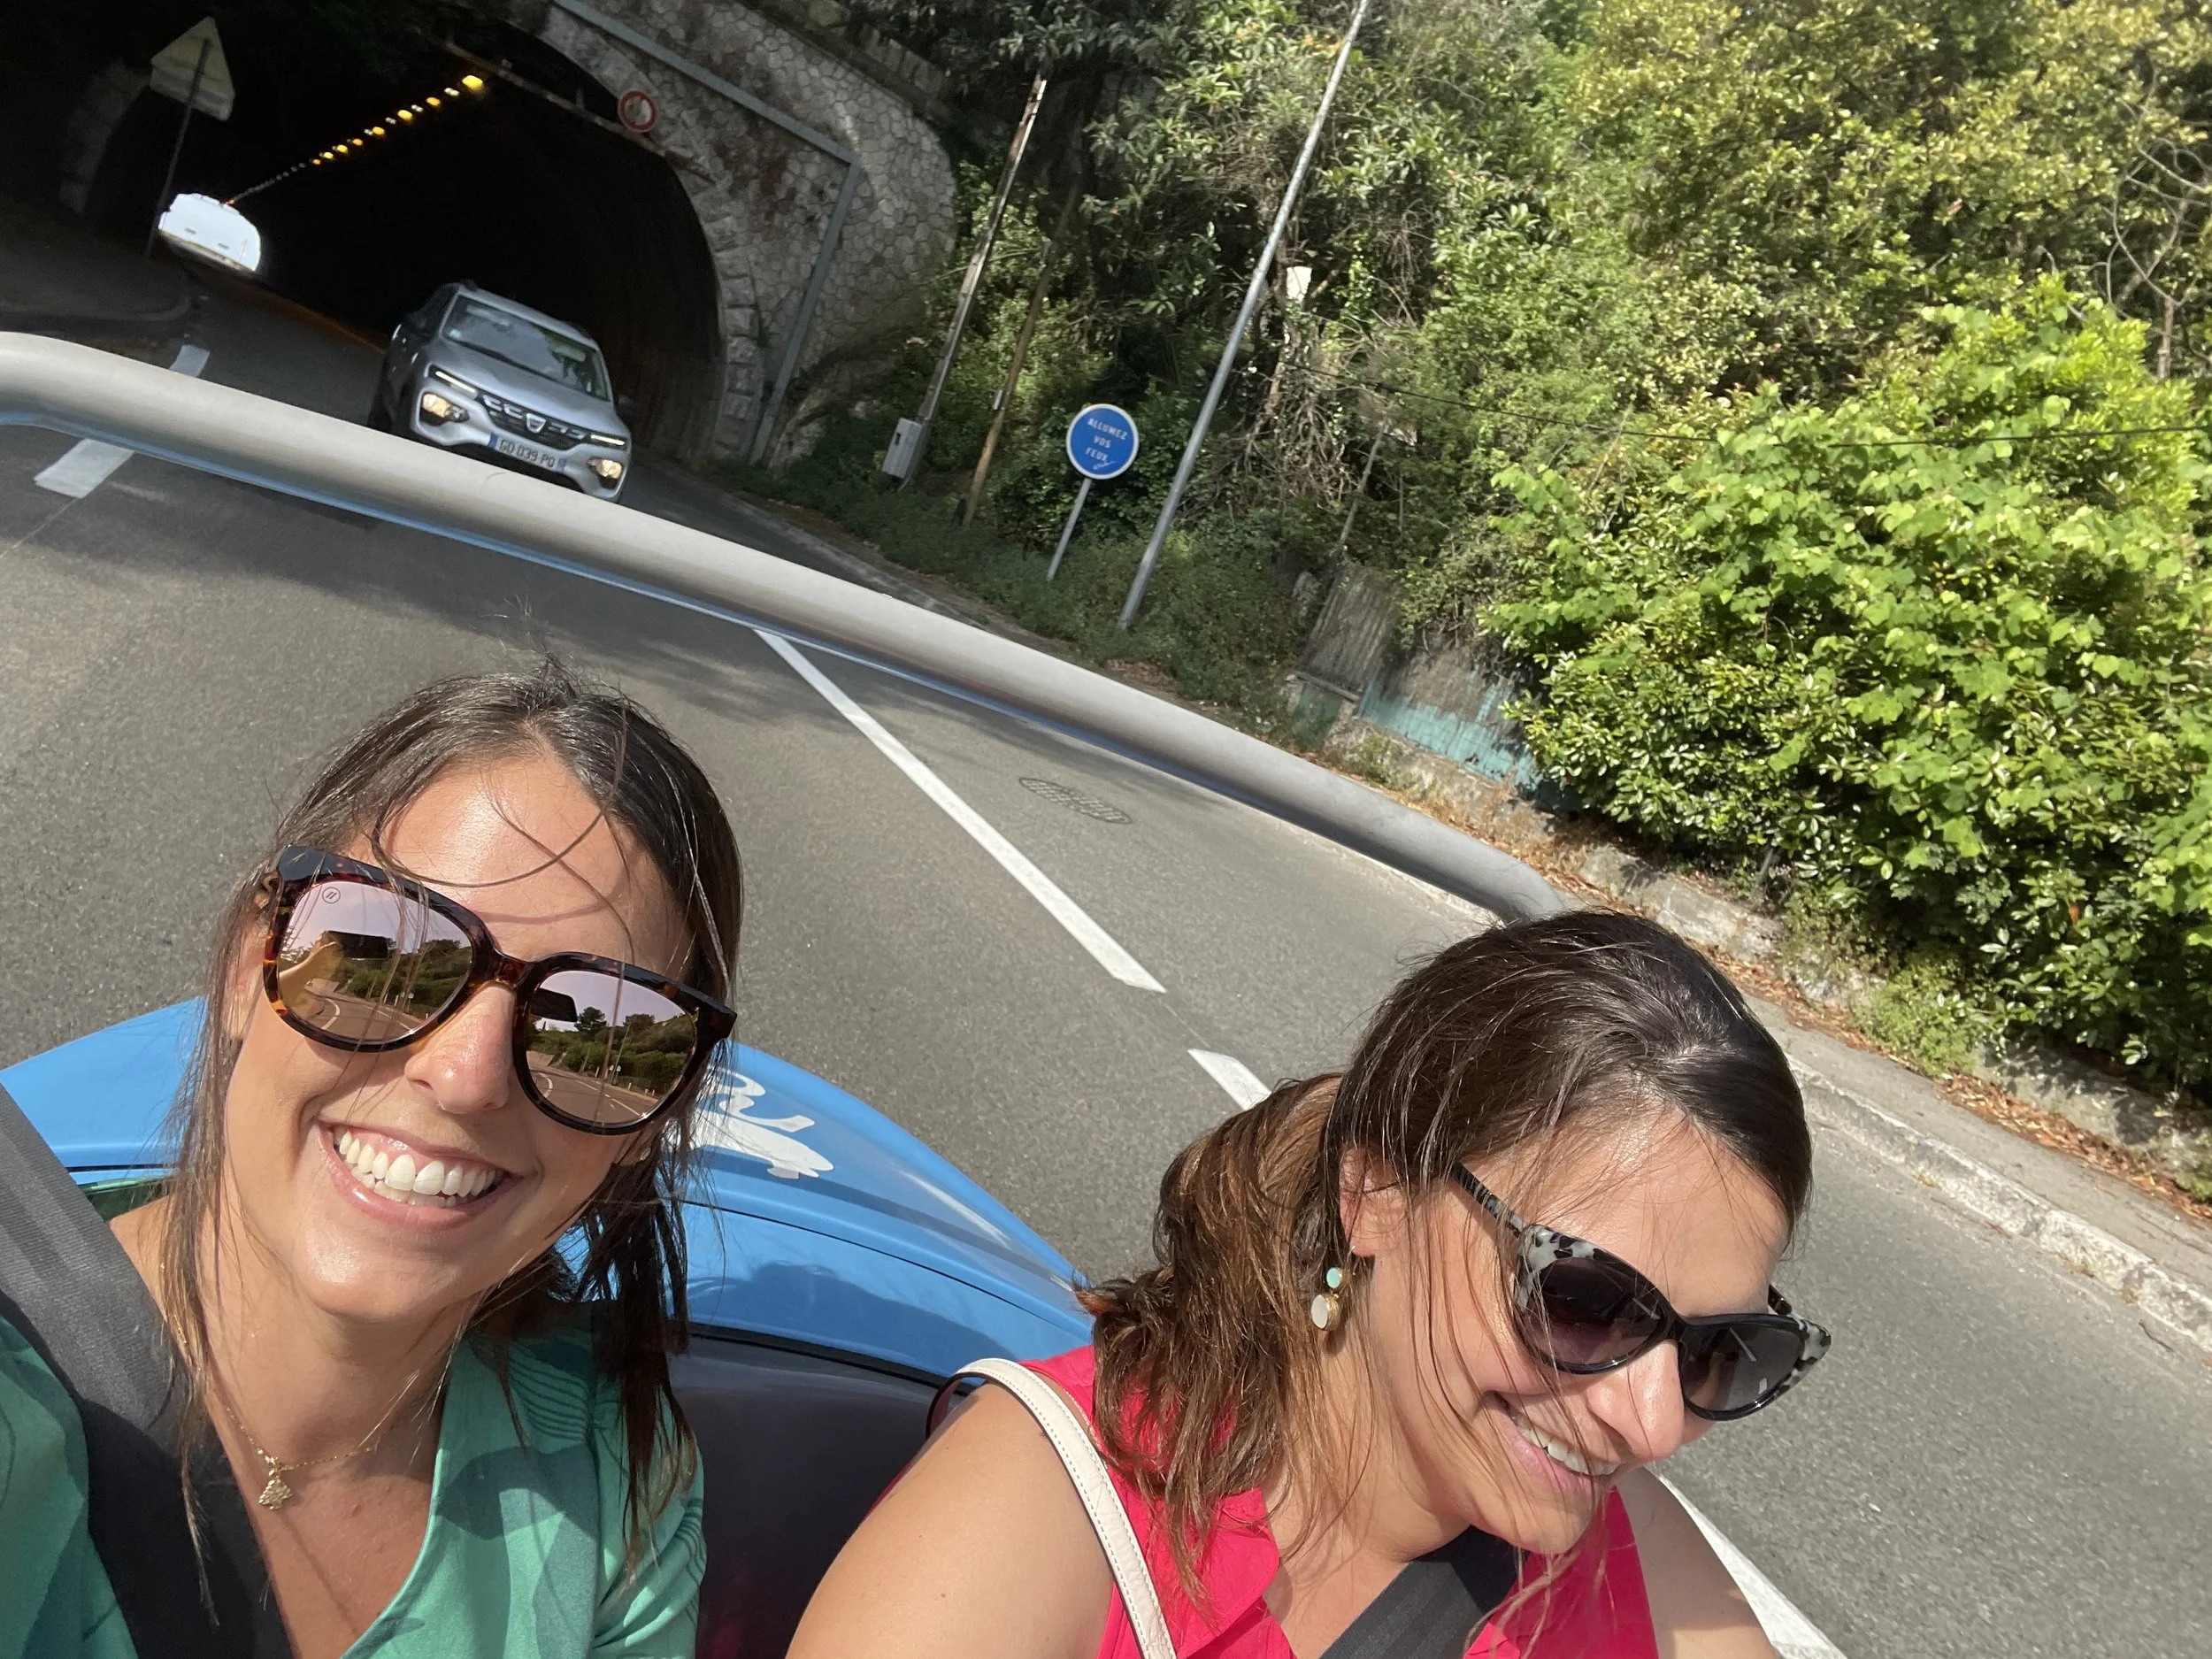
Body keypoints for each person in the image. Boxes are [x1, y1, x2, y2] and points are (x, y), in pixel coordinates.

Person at [790, 912, 1830, 1659]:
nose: (1648, 1427)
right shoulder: (1044, 1518)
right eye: (1585, 1300)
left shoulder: (1636, 1568)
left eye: (1719, 1352)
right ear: (1375, 1187)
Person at [88, 662, 741, 1657]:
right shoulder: (25, 1360)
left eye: (603, 1032)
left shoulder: (619, 1488)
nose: (466, 1075)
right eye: (383, 951)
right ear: (246, 963)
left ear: (652, 1118)